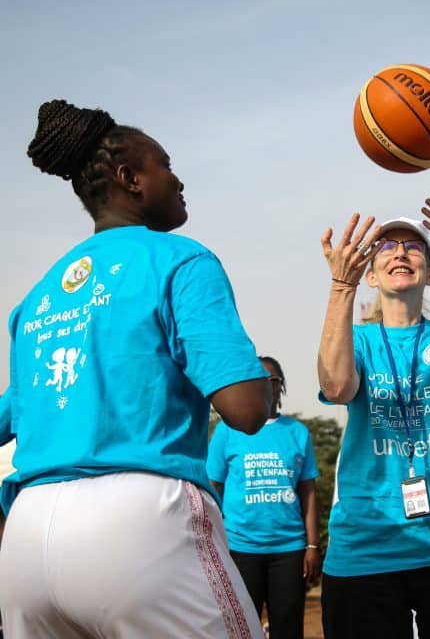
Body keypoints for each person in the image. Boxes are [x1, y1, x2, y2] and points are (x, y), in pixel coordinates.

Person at [0, 99, 272, 638]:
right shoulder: (179, 259)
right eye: (165, 164)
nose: (178, 178)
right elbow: (246, 409)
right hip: (139, 523)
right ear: (130, 179)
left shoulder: (38, 298)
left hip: (27, 537)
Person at [318, 195, 430, 639]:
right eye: (387, 246)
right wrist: (341, 287)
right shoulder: (359, 340)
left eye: (414, 246)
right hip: (366, 544)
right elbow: (336, 386)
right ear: (370, 273)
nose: (400, 251)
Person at [207, 355, 321, 639]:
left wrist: (312, 545)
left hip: (289, 550)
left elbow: (307, 492)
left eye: (272, 380)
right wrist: (213, 543)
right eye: (258, 380)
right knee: (241, 626)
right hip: (240, 547)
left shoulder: (297, 432)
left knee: (288, 626)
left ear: (280, 386)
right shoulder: (226, 431)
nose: (266, 386)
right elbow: (213, 490)